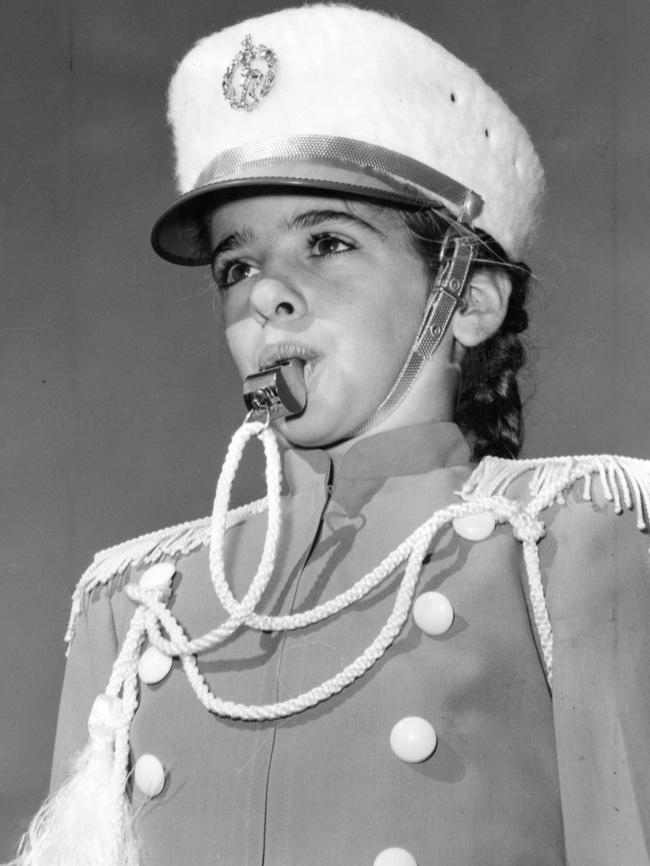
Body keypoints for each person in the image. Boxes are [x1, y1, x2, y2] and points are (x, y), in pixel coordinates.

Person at [11, 4, 650, 866]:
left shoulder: (571, 540)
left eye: (327, 241)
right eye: (236, 265)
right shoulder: (137, 611)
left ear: (467, 301)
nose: (264, 293)